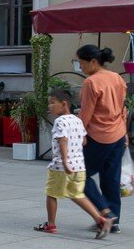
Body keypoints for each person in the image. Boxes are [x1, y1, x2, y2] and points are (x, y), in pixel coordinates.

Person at [36, 89, 116, 238]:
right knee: (77, 194)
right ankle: (101, 219)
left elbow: (63, 140)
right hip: (80, 166)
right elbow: (84, 141)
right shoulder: (77, 120)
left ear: (64, 104)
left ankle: (51, 224)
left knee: (51, 194)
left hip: (61, 166)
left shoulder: (60, 121)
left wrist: (65, 161)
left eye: (52, 103)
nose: (49, 106)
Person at [76, 44, 128, 234]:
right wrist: (126, 134)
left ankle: (105, 214)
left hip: (99, 136)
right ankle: (114, 221)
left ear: (93, 61)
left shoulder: (91, 82)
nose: (80, 67)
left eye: (81, 63)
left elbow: (86, 114)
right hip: (118, 135)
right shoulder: (117, 78)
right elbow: (123, 108)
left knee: (80, 174)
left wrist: (78, 136)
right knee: (110, 179)